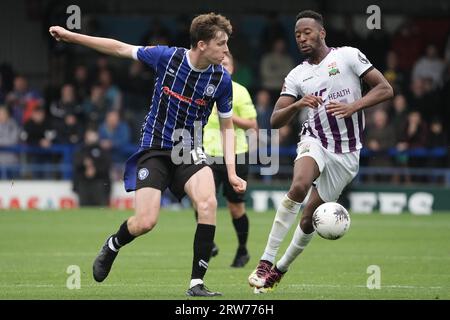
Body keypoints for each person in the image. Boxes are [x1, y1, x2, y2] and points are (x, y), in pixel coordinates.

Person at [49, 12, 246, 297]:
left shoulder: (221, 80)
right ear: (202, 44)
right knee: (145, 222)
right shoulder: (166, 57)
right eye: (222, 44)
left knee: (208, 203)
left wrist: (231, 172)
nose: (227, 51)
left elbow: (228, 129)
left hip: (188, 150)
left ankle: (196, 284)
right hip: (154, 148)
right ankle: (113, 244)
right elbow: (119, 48)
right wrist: (71, 36)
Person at [247, 10, 393, 293]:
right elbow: (276, 120)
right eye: (298, 35)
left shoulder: (348, 56)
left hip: (347, 153)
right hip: (315, 140)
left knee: (308, 218)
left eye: (307, 32)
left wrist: (353, 106)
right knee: (299, 185)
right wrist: (298, 104)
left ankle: (279, 270)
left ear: (322, 33)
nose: (302, 38)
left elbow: (385, 89)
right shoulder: (297, 75)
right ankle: (265, 260)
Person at [196, 51, 257, 267]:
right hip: (206, 153)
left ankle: (242, 250)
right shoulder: (202, 88)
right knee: (201, 200)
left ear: (232, 67)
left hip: (236, 154)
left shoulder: (239, 92)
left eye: (227, 62)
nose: (223, 64)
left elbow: (253, 125)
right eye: (220, 61)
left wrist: (228, 115)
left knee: (235, 208)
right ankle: (209, 243)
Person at [73, 128, 112, 206]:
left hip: (100, 183)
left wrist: (95, 169)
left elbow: (107, 165)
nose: (91, 137)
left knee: (100, 207)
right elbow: (75, 164)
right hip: (83, 183)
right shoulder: (80, 150)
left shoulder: (102, 150)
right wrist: (84, 164)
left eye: (93, 135)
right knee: (84, 208)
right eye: (89, 135)